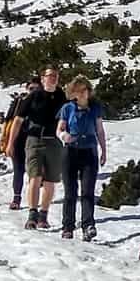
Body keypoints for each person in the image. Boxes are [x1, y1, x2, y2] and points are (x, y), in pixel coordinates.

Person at [17, 66, 70, 230]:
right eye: (50, 75)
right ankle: (32, 213)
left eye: (56, 75)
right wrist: (11, 142)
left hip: (54, 142)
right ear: (42, 78)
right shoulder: (34, 96)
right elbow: (18, 119)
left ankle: (44, 214)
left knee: (51, 180)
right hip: (35, 140)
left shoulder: (62, 96)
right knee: (35, 176)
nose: (53, 78)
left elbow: (69, 118)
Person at [55, 76, 107, 240]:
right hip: (70, 151)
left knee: (88, 191)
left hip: (89, 151)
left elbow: (100, 130)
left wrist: (103, 150)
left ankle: (88, 225)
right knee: (70, 191)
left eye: (87, 89)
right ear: (75, 93)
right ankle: (68, 226)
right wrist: (64, 136)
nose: (85, 93)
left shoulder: (95, 108)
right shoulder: (67, 108)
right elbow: (59, 129)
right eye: (82, 90)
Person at [3, 75, 40, 210]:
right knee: (18, 170)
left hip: (36, 140)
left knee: (34, 172)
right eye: (31, 88)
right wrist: (7, 141)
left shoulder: (45, 103)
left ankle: (33, 200)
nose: (34, 91)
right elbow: (8, 121)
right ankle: (17, 198)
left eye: (37, 89)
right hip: (19, 139)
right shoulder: (19, 102)